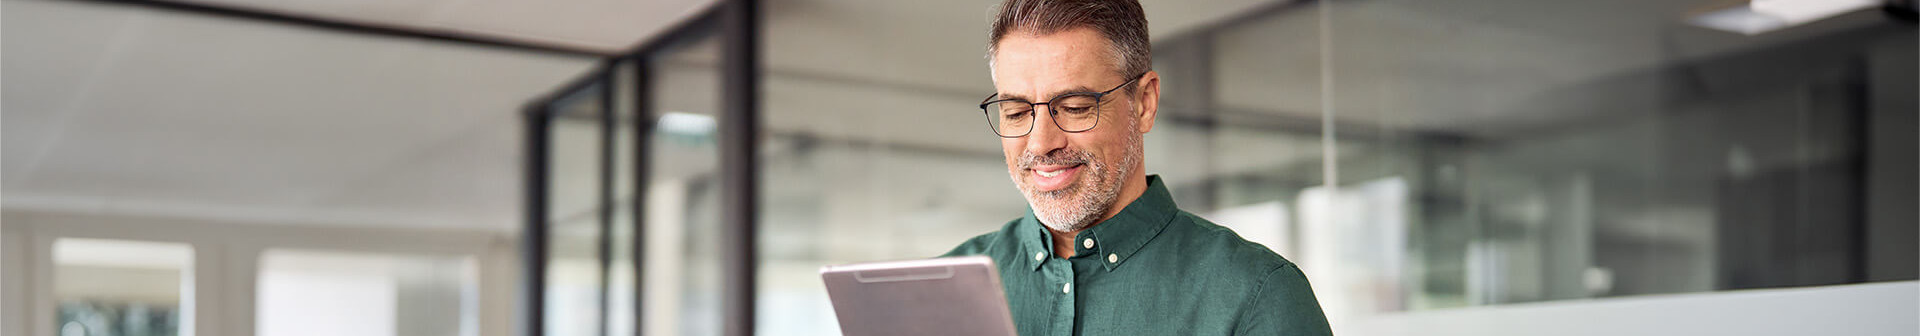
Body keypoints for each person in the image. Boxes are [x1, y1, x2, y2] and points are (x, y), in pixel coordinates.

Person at [941, 0, 1334, 334]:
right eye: (1016, 112)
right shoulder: (941, 287)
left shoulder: (1257, 296)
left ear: (1144, 102)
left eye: (1076, 108)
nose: (1042, 143)